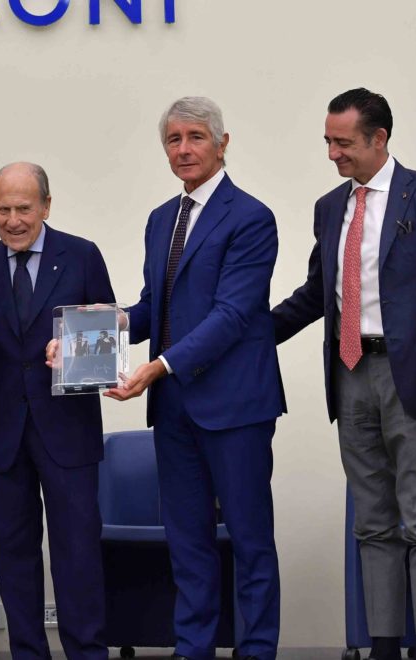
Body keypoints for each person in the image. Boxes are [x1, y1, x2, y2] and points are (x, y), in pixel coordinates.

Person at [272, 88, 416, 660]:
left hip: (413, 382)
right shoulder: (329, 207)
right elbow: (317, 294)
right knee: (372, 520)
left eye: (343, 143)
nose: (332, 154)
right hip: (350, 374)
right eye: (327, 142)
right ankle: (383, 644)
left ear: (379, 138)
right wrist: (249, 334)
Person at [98, 97, 286, 660]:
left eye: (196, 137)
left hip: (236, 406)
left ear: (222, 144)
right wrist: (103, 327)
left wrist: (157, 367)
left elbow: (232, 315)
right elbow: (153, 308)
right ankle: (193, 648)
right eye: (173, 139)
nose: (183, 149)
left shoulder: (251, 217)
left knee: (250, 540)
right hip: (174, 407)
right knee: (186, 541)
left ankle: (257, 650)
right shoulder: (162, 219)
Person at [0, 162, 115, 660]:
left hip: (68, 433)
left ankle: (87, 653)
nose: (13, 220)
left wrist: (75, 351)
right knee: (13, 556)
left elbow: (107, 340)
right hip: (2, 434)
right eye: (3, 209)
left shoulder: (82, 256)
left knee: (78, 554)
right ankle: (27, 653)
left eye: (24, 208)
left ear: (46, 206)